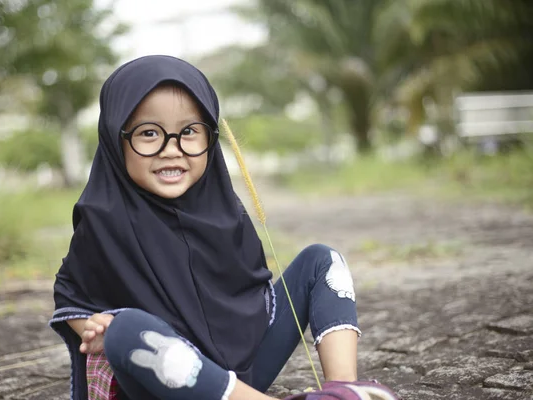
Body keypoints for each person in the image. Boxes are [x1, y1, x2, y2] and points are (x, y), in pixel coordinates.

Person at [49, 55, 397, 400]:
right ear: (115, 138)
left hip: (242, 375)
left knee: (323, 260)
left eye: (189, 132)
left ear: (210, 137)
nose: (172, 149)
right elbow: (71, 295)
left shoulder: (224, 212)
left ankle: (342, 391)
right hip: (170, 383)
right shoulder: (104, 220)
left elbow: (249, 291)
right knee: (126, 330)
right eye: (149, 133)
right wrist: (95, 328)